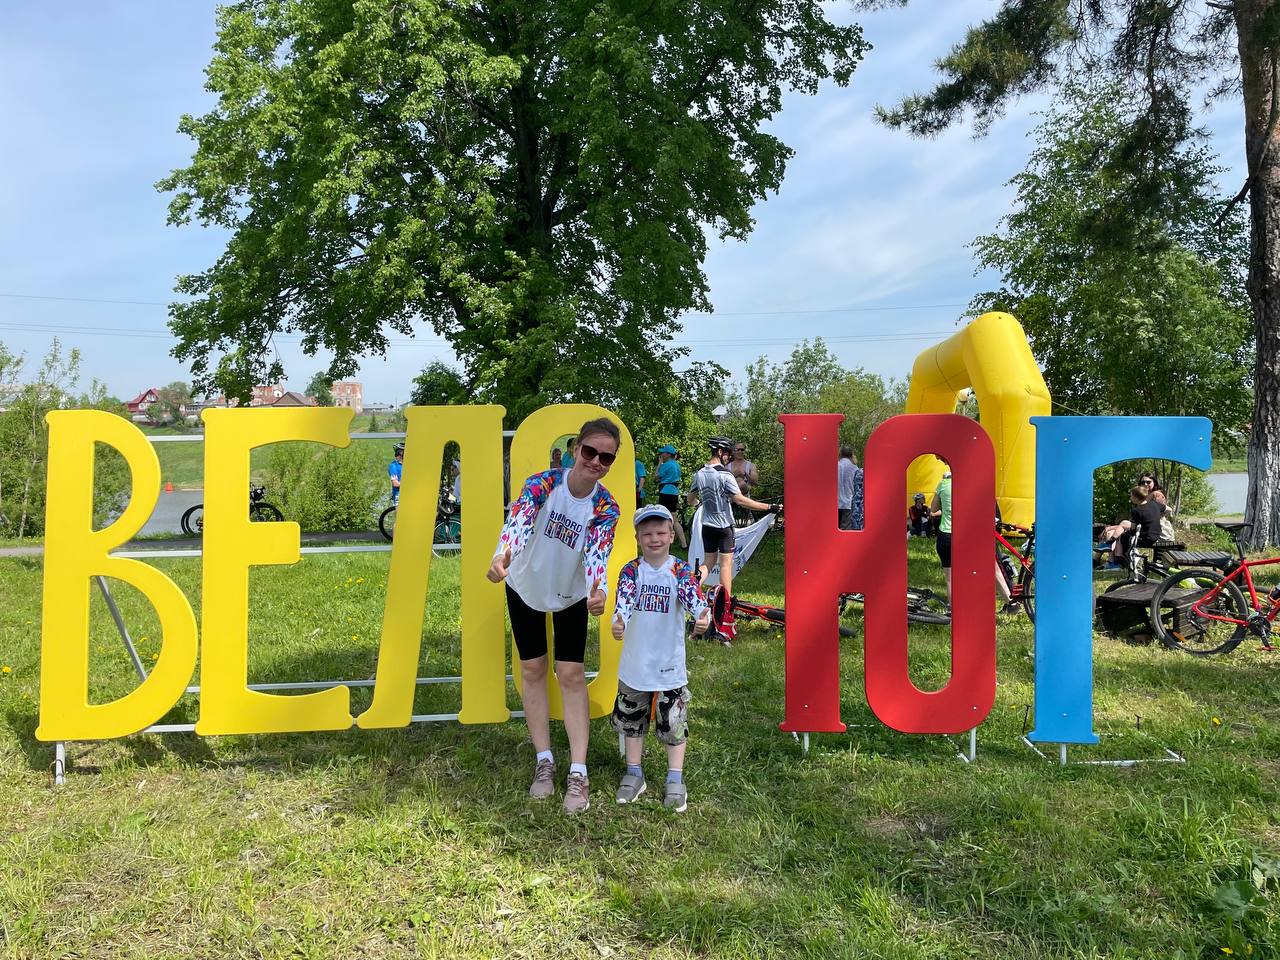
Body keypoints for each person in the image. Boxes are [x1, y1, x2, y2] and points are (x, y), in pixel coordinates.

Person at [487, 417, 621, 814]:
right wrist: (501, 554)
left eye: (606, 457)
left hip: (570, 594)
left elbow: (598, 553)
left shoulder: (605, 506)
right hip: (525, 585)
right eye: (590, 451)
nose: (596, 461)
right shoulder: (543, 484)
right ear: (575, 448)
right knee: (532, 668)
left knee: (571, 673)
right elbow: (519, 523)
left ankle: (578, 772)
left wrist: (600, 589)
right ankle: (544, 761)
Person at [610, 504, 710, 811]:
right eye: (647, 533)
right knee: (631, 721)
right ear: (638, 538)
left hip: (669, 666)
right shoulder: (631, 570)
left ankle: (675, 778)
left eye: (660, 532)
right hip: (635, 665)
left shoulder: (679, 571)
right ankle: (633, 773)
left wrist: (702, 615)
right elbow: (624, 601)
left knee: (673, 723)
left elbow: (694, 599)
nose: (654, 539)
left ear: (670, 535)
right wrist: (619, 621)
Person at [688, 436, 778, 641]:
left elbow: (690, 499)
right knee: (726, 565)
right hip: (724, 527)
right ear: (721, 452)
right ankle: (725, 607)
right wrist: (768, 508)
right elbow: (740, 499)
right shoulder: (725, 475)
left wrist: (699, 504)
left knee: (708, 562)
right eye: (728, 453)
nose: (729, 457)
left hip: (707, 525)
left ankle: (692, 588)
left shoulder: (699, 474)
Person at [1100, 484, 1164, 562]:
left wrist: (1116, 528)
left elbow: (1133, 526)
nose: (1130, 498)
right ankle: (1110, 545)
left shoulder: (1137, 510)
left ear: (1136, 498)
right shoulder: (1154, 504)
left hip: (1145, 538)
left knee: (1122, 535)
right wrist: (1158, 517)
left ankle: (1116, 557)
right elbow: (1169, 509)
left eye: (1131, 496)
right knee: (1123, 524)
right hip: (1156, 536)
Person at [929, 462, 952, 611]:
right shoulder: (969, 482)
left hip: (946, 533)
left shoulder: (943, 484)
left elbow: (933, 509)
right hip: (965, 534)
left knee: (949, 574)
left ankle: (951, 605)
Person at [656, 445, 688, 549]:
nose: (661, 455)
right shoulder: (677, 465)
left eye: (663, 453)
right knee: (674, 518)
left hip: (665, 492)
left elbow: (656, 476)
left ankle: (665, 542)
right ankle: (683, 543)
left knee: (665, 518)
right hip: (674, 492)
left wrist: (659, 464)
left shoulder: (666, 465)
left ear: (668, 454)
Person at [836, 446, 864, 530]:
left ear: (840, 454)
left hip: (835, 504)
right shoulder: (854, 468)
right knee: (845, 531)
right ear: (851, 455)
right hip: (848, 504)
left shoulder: (835, 466)